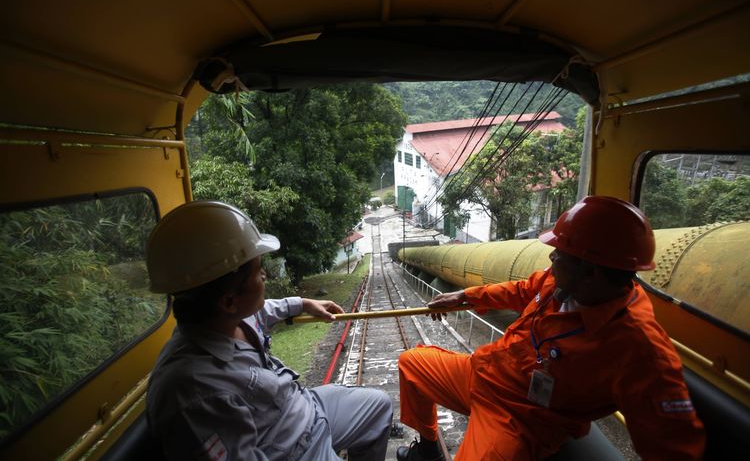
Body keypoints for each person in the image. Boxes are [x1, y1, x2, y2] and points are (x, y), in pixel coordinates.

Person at [396, 196, 705, 460]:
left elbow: (673, 446)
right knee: (411, 363)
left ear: (589, 272)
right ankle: (428, 449)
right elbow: (521, 290)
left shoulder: (639, 349)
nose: (551, 256)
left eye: (561, 253)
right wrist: (465, 296)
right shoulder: (562, 281)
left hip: (515, 417)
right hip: (481, 372)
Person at [146, 201, 393, 460]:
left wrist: (303, 303)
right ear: (229, 301)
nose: (264, 276)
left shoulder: (224, 318)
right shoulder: (196, 395)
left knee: (379, 407)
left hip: (305, 407)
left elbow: (262, 311)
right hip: (295, 450)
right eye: (257, 271)